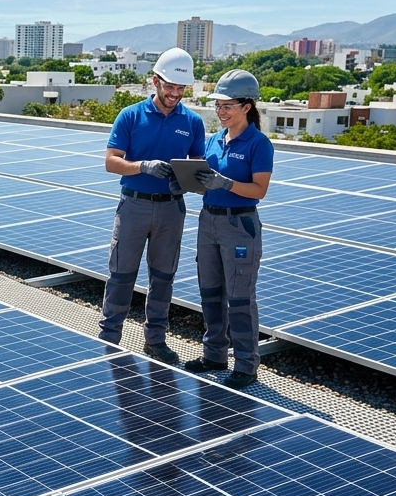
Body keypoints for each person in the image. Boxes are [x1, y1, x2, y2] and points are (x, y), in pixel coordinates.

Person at [100, 47, 206, 363]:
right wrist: (142, 166)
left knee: (163, 276)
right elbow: (111, 162)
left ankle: (155, 339)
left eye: (181, 88)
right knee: (121, 274)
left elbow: (198, 168)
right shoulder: (130, 116)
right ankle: (109, 337)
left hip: (171, 209)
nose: (175, 93)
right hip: (134, 206)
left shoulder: (193, 122)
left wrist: (185, 181)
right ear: (155, 81)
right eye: (170, 86)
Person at [185, 69, 273, 389]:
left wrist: (226, 183)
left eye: (227, 106)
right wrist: (192, 181)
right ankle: (215, 355)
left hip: (239, 225)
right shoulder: (214, 140)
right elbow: (206, 183)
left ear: (246, 107)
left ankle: (247, 365)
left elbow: (259, 189)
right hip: (208, 220)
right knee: (210, 292)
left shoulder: (258, 144)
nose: (220, 111)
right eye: (218, 106)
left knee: (239, 298)